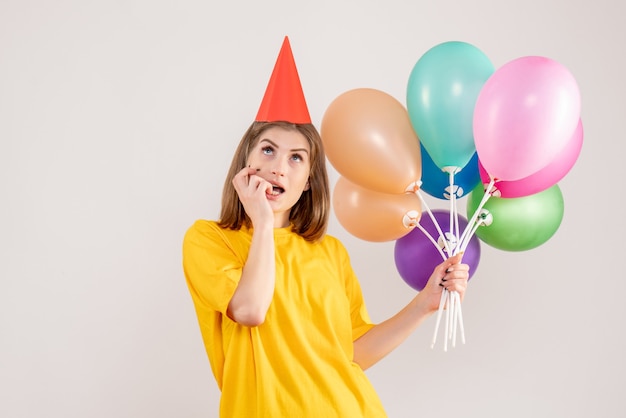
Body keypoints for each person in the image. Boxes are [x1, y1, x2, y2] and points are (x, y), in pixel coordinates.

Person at [182, 36, 469, 418]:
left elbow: (352, 353)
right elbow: (250, 309)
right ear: (245, 162)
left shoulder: (330, 253)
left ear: (308, 183)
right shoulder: (209, 239)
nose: (278, 167)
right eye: (267, 149)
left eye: (296, 158)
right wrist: (264, 221)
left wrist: (424, 305)